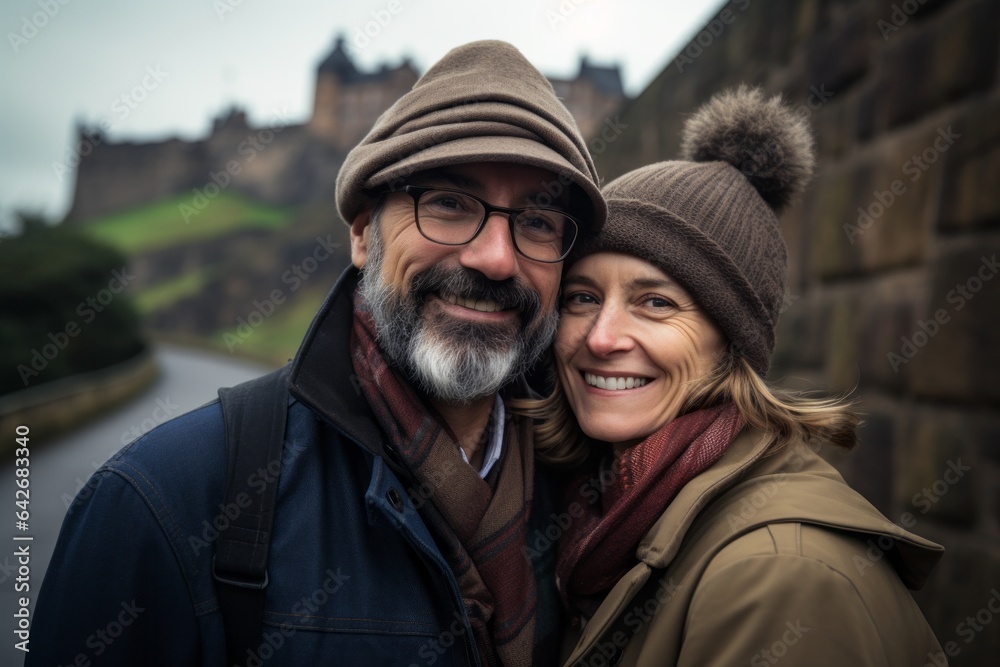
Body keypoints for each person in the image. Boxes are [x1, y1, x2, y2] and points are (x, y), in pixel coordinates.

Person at [27, 41, 606, 667]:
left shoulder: (594, 493)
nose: (495, 258)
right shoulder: (157, 503)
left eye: (539, 221)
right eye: (446, 202)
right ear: (362, 233)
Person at [513, 86, 946, 666]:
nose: (601, 337)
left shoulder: (781, 578)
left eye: (657, 304)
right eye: (583, 297)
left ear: (732, 344)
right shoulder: (600, 513)